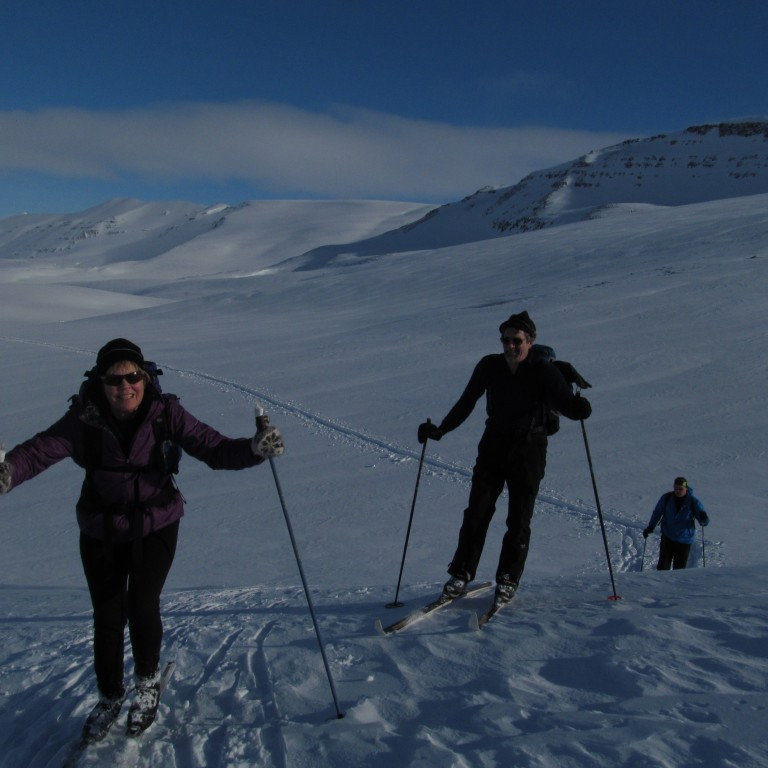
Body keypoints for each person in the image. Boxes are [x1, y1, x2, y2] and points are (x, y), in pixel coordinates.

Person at [0, 339, 284, 741]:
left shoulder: (166, 413)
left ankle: (147, 683)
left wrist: (255, 449)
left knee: (142, 602)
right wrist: (9, 471)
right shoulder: (83, 418)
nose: (124, 386)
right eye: (114, 379)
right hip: (100, 528)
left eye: (132, 376)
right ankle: (110, 695)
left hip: (156, 522)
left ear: (145, 377)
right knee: (108, 613)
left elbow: (214, 448)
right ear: (99, 383)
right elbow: (40, 451)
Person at [418, 311, 592, 607]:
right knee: (477, 512)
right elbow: (467, 401)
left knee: (519, 518)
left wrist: (579, 407)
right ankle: (460, 574)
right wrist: (441, 430)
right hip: (494, 445)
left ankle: (509, 578)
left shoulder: (543, 371)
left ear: (531, 341)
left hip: (530, 449)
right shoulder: (490, 366)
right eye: (505, 340)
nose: (510, 346)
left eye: (517, 340)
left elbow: (566, 405)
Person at [643, 477, 709, 570]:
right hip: (667, 537)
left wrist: (704, 518)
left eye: (680, 489)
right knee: (662, 568)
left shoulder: (693, 502)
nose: (678, 491)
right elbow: (657, 513)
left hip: (684, 540)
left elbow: (703, 522)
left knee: (679, 571)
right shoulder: (666, 498)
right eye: (676, 488)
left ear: (686, 488)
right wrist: (650, 527)